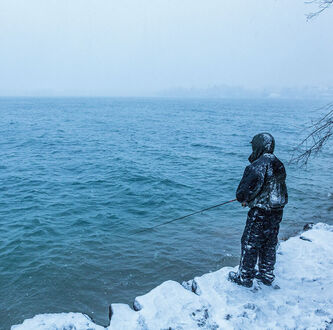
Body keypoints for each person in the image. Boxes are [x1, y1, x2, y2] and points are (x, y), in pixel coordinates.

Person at [228, 133, 288, 287]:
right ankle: (266, 274)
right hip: (277, 211)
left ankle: (245, 277)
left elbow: (243, 192)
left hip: (260, 213)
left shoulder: (257, 165)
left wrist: (245, 200)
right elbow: (272, 188)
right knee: (269, 243)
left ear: (259, 146)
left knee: (250, 243)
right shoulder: (279, 164)